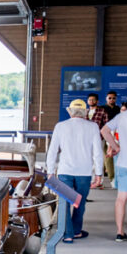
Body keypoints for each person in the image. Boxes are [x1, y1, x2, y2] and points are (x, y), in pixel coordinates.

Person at [46, 99, 103, 242]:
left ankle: (68, 235)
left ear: (70, 111)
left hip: (65, 171)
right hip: (84, 172)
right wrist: (99, 173)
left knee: (65, 202)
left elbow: (53, 151)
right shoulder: (93, 126)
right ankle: (76, 231)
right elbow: (97, 152)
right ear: (86, 112)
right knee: (80, 202)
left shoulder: (60, 126)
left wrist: (50, 170)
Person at [100, 85, 127, 243]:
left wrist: (115, 147)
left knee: (121, 198)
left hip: (123, 163)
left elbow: (105, 130)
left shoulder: (123, 115)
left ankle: (120, 232)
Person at [101, 91, 121, 185]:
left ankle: (113, 176)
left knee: (114, 154)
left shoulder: (118, 109)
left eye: (113, 98)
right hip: (105, 133)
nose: (111, 100)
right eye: (110, 98)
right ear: (106, 98)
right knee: (106, 154)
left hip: (116, 133)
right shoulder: (102, 108)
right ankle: (110, 176)